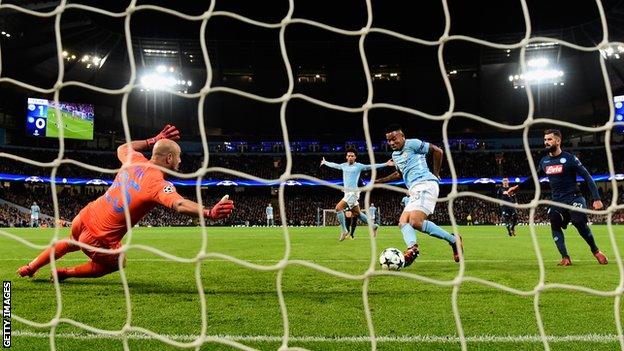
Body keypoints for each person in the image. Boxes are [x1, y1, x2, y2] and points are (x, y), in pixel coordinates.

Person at [17, 125, 235, 281]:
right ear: (168, 158)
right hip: (100, 238)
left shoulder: (134, 159)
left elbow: (122, 148)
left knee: (69, 241)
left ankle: (31, 266)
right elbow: (178, 204)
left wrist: (152, 139)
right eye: (178, 157)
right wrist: (208, 213)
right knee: (119, 262)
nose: (180, 161)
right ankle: (66, 273)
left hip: (84, 216)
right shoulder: (157, 183)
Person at [506, 129, 607, 266]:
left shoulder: (570, 159)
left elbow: (587, 177)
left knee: (578, 222)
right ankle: (565, 257)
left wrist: (597, 198)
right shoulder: (545, 161)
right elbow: (535, 178)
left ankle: (596, 251)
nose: (546, 142)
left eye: (549, 139)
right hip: (557, 201)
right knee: (554, 220)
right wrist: (518, 188)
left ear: (558, 141)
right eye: (545, 139)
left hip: (574, 198)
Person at [377, 124, 462, 267]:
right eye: (389, 140)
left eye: (394, 139)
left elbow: (438, 151)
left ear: (402, 136)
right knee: (403, 222)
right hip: (414, 189)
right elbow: (399, 173)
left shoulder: (412, 144)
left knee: (415, 221)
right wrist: (379, 181)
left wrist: (435, 173)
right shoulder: (395, 155)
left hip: (425, 183)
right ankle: (450, 241)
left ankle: (413, 250)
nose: (391, 143)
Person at [320, 149, 391, 241]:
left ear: (355, 157)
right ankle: (373, 226)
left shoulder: (359, 166)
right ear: (346, 157)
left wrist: (385, 164)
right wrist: (325, 162)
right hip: (347, 193)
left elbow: (371, 166)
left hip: (353, 193)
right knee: (357, 213)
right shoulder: (343, 166)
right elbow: (334, 165)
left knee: (338, 208)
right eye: (348, 156)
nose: (350, 157)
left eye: (352, 156)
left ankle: (344, 230)